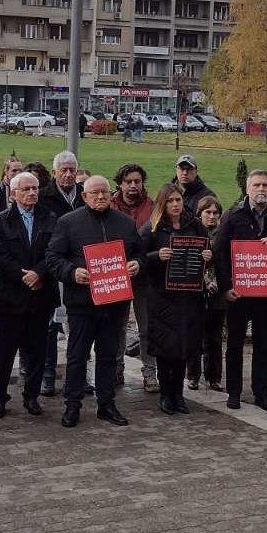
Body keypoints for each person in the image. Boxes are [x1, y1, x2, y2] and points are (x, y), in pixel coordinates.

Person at [45, 175, 143, 428]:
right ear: (84, 196)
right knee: (77, 356)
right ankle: (72, 404)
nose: (100, 197)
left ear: (111, 194)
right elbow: (53, 257)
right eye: (94, 193)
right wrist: (71, 272)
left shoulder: (125, 223)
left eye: (104, 192)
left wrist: (137, 264)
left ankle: (106, 404)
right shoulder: (68, 222)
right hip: (81, 303)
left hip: (114, 302)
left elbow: (139, 253)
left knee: (108, 355)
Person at [211, 169, 267, 412]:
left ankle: (261, 392)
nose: (261, 189)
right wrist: (226, 287)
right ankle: (234, 391)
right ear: (247, 188)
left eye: (265, 185)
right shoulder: (233, 216)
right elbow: (220, 253)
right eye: (256, 185)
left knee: (264, 344)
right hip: (239, 293)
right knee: (234, 344)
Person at [0, 171, 56, 418]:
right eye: (26, 189)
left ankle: (32, 396)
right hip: (11, 297)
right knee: (4, 352)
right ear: (14, 193)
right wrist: (23, 276)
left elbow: (54, 251)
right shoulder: (0, 221)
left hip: (40, 295)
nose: (32, 193)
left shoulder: (50, 218)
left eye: (35, 188)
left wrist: (39, 273)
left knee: (37, 351)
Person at [144, 183, 211, 414]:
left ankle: (178, 394)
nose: (175, 205)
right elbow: (138, 258)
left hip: (189, 296)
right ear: (162, 204)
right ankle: (165, 394)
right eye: (170, 201)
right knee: (166, 348)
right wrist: (156, 256)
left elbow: (206, 253)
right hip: (163, 297)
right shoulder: (152, 229)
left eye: (178, 200)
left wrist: (208, 256)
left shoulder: (195, 225)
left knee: (184, 346)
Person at [111, 163, 158, 391]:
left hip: (144, 275)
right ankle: (116, 368)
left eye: (137, 181)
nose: (133, 185)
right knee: (117, 327)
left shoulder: (153, 207)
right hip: (117, 275)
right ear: (120, 184)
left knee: (146, 327)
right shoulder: (110, 205)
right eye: (128, 181)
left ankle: (150, 372)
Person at [189, 195, 226, 391]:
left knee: (215, 337)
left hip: (218, 293)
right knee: (195, 335)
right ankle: (193, 375)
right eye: (207, 212)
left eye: (215, 213)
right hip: (196, 292)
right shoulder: (193, 233)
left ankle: (214, 376)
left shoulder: (224, 235)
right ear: (200, 213)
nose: (212, 216)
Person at [40, 151, 82, 219]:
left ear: (76, 172)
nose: (68, 175)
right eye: (64, 170)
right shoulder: (42, 197)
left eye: (72, 170)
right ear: (54, 173)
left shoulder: (85, 194)